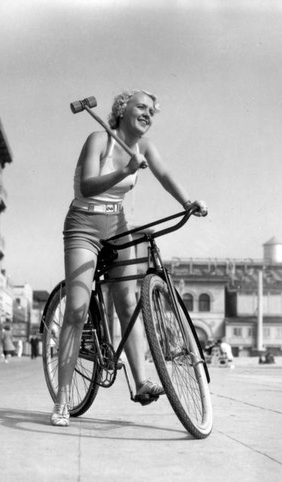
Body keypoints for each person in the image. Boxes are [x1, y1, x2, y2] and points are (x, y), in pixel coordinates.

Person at [51, 89, 208, 427]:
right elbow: (89, 186)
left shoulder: (145, 147)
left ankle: (140, 383)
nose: (148, 114)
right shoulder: (98, 139)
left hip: (117, 224)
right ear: (122, 110)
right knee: (77, 309)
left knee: (127, 298)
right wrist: (125, 172)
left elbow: (164, 175)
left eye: (153, 110)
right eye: (141, 106)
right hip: (83, 224)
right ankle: (63, 398)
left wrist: (187, 202)